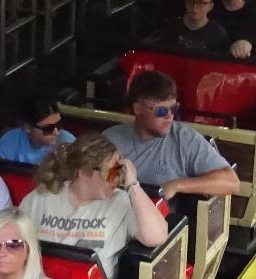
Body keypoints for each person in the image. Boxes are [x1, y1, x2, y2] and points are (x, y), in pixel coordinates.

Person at [20, 135, 168, 277]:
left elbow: (156, 237)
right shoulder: (40, 199)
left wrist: (133, 184)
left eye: (119, 171)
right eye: (111, 172)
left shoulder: (122, 202)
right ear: (84, 172)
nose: (115, 179)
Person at [102, 70, 242, 200]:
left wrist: (177, 185)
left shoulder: (185, 139)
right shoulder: (112, 140)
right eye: (161, 111)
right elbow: (101, 183)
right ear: (138, 108)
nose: (169, 116)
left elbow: (231, 182)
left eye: (174, 109)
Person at [148, 0, 231, 53]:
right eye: (190, 1)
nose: (194, 6)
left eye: (201, 2)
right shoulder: (171, 28)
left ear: (210, 6)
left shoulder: (218, 34)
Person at [0, 96, 76, 164]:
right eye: (48, 129)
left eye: (58, 125)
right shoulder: (8, 144)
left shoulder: (68, 142)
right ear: (27, 128)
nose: (56, 132)